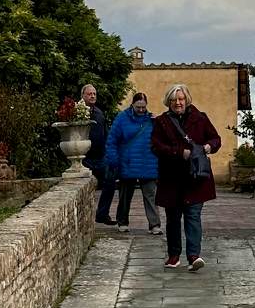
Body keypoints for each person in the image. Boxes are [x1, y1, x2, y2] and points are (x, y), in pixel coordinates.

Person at [151, 83, 222, 270]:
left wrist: (207, 147)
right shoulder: (161, 122)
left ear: (187, 100)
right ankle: (174, 256)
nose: (178, 103)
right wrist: (179, 152)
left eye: (181, 99)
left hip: (195, 178)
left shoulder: (200, 118)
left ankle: (193, 256)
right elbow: (156, 147)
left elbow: (216, 140)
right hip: (171, 178)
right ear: (168, 102)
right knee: (173, 218)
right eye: (174, 100)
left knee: (193, 216)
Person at [105, 90, 161, 233]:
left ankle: (155, 225)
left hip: (148, 163)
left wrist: (159, 123)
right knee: (125, 195)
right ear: (132, 105)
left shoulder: (152, 120)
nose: (141, 110)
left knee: (151, 196)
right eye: (138, 107)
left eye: (143, 107)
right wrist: (113, 160)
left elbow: (161, 140)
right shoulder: (122, 118)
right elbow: (112, 141)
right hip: (127, 163)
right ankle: (122, 222)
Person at [81, 82, 116, 225]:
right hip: (85, 158)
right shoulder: (77, 112)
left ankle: (102, 214)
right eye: (89, 94)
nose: (93, 96)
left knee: (110, 181)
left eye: (94, 94)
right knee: (82, 187)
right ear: (83, 96)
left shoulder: (99, 113)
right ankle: (83, 218)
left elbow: (105, 134)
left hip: (100, 158)